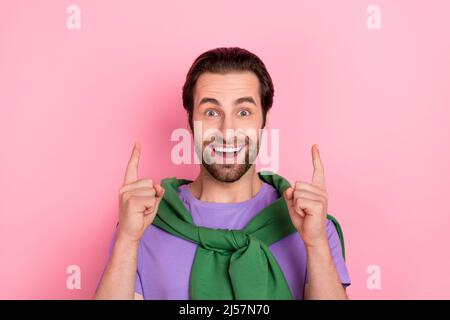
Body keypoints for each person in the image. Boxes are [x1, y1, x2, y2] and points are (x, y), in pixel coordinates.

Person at [94, 47, 351, 300]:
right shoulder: (144, 222)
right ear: (190, 121)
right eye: (211, 113)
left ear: (264, 120)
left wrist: (316, 245)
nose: (227, 131)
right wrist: (127, 240)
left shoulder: (311, 225)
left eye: (243, 112)